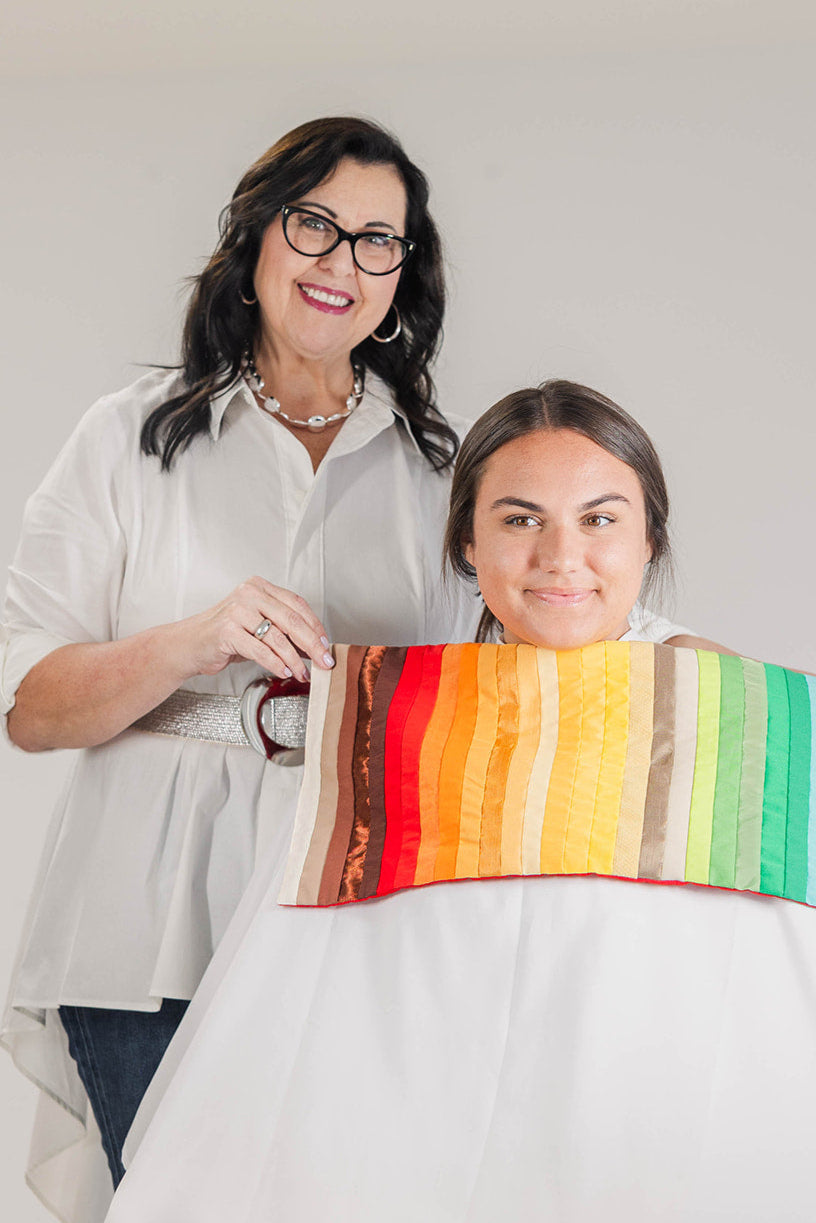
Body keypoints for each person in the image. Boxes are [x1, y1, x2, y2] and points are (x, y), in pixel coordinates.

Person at [103, 380, 816, 1223]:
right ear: (467, 545)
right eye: (520, 519)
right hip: (424, 1125)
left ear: (649, 539)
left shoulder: (725, 711)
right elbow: (320, 995)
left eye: (600, 518)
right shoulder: (401, 721)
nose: (560, 556)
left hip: (636, 1119)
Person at [0, 116, 476, 1222]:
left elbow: (509, 667)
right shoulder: (127, 437)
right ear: (257, 237)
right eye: (314, 224)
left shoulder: (438, 475)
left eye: (376, 240)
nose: (338, 261)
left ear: (402, 278)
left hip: (356, 921)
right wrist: (196, 637)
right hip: (139, 929)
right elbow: (28, 707)